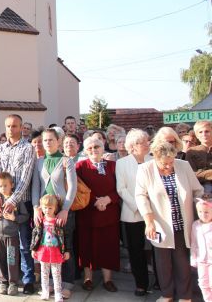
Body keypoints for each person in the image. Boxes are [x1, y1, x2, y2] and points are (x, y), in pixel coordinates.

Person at [137, 138, 203, 301]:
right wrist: (149, 221)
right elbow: (141, 196)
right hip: (160, 225)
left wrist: (201, 206)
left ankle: (185, 296)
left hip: (182, 223)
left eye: (171, 162)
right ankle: (167, 294)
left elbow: (198, 190)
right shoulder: (145, 169)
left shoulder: (183, 166)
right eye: (164, 163)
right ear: (155, 158)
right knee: (163, 263)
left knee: (182, 263)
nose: (169, 166)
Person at [0, 114, 37, 294]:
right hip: (2, 202)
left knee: (23, 243)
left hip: (20, 202)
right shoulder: (0, 149)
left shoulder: (27, 148)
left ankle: (27, 280)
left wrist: (12, 200)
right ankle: (8, 280)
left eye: (15, 126)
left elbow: (25, 178)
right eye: (9, 126)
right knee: (3, 244)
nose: (11, 129)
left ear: (21, 127)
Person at [31, 129, 77, 295]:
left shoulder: (66, 161)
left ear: (58, 141)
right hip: (45, 212)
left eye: (51, 140)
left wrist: (65, 209)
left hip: (62, 212)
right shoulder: (39, 162)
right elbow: (36, 186)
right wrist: (36, 208)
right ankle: (50, 283)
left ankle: (67, 284)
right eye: (45, 140)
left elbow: (72, 187)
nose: (48, 143)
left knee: (65, 246)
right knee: (47, 245)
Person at [75, 135, 120, 292]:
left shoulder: (113, 166)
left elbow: (121, 188)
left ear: (103, 148)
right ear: (85, 151)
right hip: (88, 213)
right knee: (86, 246)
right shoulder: (80, 166)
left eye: (97, 147)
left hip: (109, 212)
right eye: (90, 148)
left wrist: (108, 199)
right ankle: (88, 278)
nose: (93, 150)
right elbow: (78, 188)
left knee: (108, 246)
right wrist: (95, 200)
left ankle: (108, 280)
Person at [115, 129, 152, 296]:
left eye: (147, 141)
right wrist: (139, 206)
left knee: (157, 249)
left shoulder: (154, 160)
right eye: (144, 142)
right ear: (134, 145)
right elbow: (121, 189)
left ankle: (160, 281)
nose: (148, 144)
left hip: (155, 212)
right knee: (136, 250)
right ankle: (141, 284)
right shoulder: (122, 163)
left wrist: (150, 207)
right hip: (133, 212)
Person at [0, 172, 29, 295]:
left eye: (5, 185)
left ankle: (13, 283)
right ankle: (3, 282)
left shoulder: (16, 201)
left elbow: (25, 216)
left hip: (11, 236)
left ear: (12, 185)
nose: (3, 188)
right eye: (0, 186)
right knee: (0, 258)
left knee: (11, 259)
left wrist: (14, 218)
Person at [31, 194, 70, 302]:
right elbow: (35, 235)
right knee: (44, 273)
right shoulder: (40, 221)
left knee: (56, 274)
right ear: (41, 207)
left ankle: (58, 293)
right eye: (44, 207)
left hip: (56, 251)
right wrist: (33, 249)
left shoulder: (58, 222)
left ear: (55, 208)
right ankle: (45, 291)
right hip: (43, 251)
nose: (47, 210)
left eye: (50, 208)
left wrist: (67, 250)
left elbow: (65, 236)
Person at [191, 196, 212, 302]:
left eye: (206, 212)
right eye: (200, 211)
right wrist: (193, 258)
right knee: (203, 283)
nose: (203, 215)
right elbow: (194, 243)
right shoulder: (195, 225)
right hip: (201, 260)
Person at [186, 120, 212, 193]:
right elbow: (193, 174)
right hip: (202, 188)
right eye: (200, 132)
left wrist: (205, 172)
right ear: (197, 135)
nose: (204, 134)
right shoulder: (191, 152)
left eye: (207, 131)